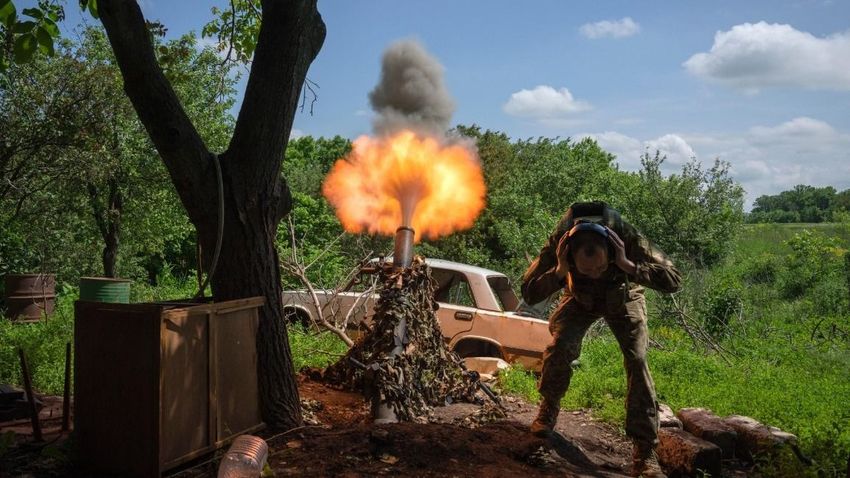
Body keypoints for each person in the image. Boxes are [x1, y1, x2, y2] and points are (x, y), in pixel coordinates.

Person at [522, 201, 681, 478]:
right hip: (578, 298)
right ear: (570, 255)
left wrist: (627, 265)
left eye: (599, 268)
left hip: (623, 296)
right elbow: (529, 291)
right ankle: (548, 408)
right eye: (587, 270)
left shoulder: (626, 236)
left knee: (638, 359)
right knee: (559, 347)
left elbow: (673, 279)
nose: (594, 274)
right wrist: (560, 271)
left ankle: (644, 453)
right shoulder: (560, 241)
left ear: (612, 249)